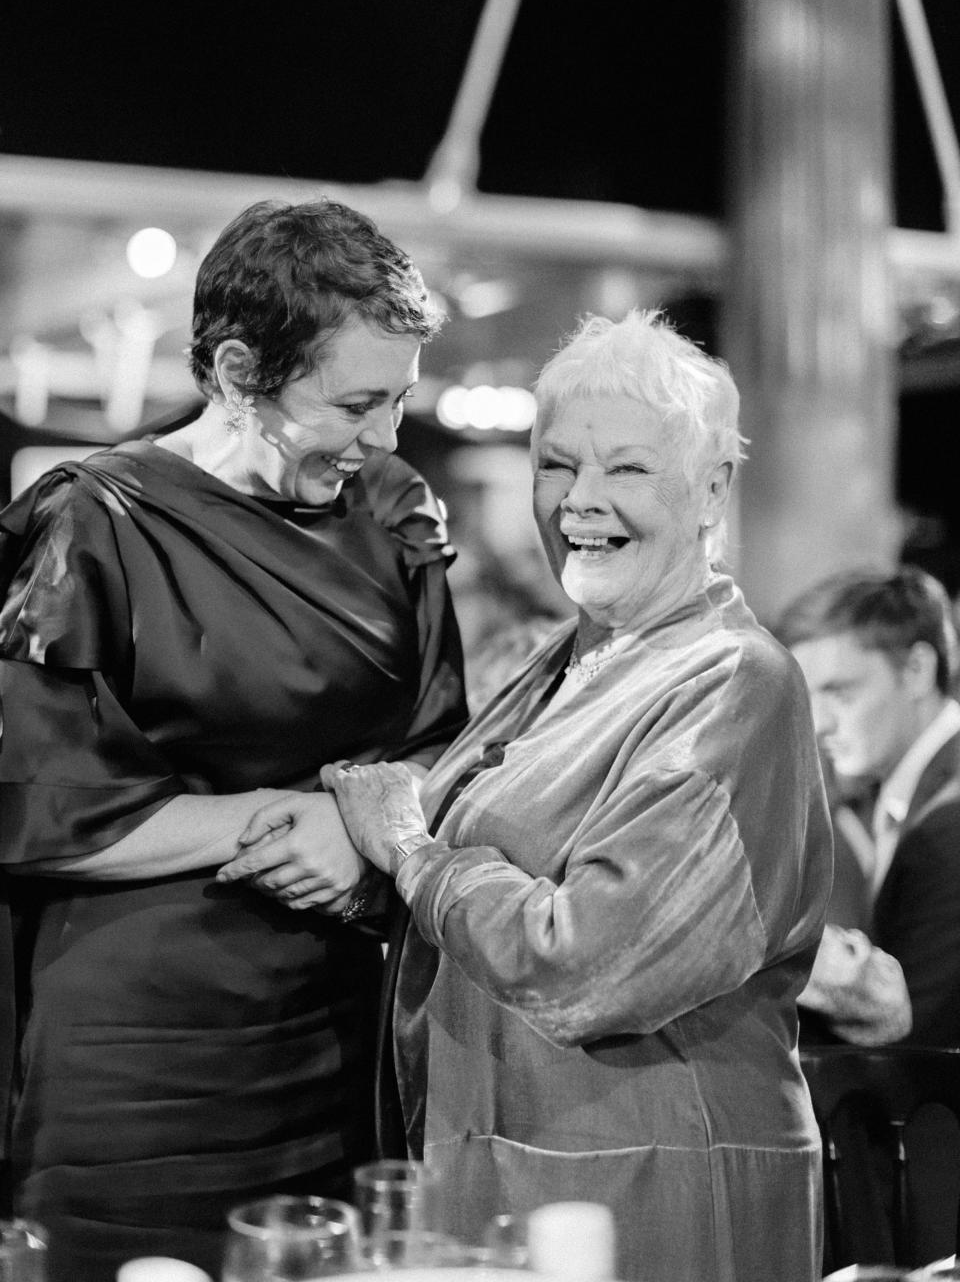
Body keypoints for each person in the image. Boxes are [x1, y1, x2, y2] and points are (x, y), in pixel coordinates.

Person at [222, 309, 834, 1282]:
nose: (579, 500)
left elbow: (588, 959)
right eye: (556, 465)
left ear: (713, 486)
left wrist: (410, 852)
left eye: (627, 468)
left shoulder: (736, 681)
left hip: (657, 1190)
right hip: (508, 1176)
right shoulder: (575, 654)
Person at [0, 198, 467, 1282]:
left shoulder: (393, 508)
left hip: (344, 1030)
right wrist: (292, 820)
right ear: (239, 368)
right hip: (142, 1052)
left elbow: (450, 749)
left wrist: (363, 837)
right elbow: (33, 808)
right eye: (355, 402)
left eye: (398, 400)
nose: (386, 436)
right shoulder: (97, 520)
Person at [776, 565, 960, 1045]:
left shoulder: (949, 825)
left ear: (917, 670)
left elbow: (913, 1038)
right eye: (808, 697)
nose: (818, 725)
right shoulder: (897, 796)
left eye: (840, 692)